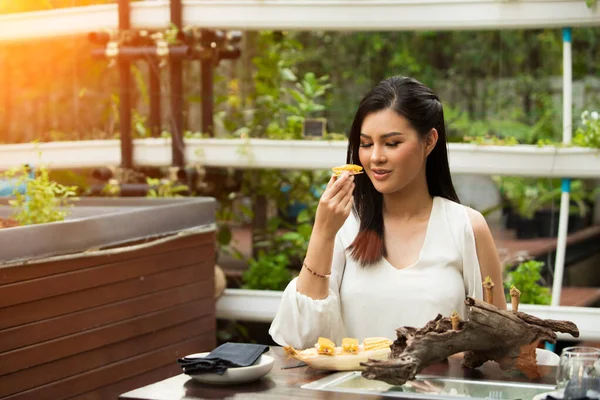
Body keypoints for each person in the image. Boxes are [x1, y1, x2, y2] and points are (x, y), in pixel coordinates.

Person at [269, 76, 506, 350]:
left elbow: (499, 342)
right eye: (366, 144)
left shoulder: (466, 226)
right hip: (354, 390)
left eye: (391, 143)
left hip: (439, 392)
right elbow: (301, 340)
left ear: (429, 141)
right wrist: (322, 232)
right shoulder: (344, 224)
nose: (375, 157)